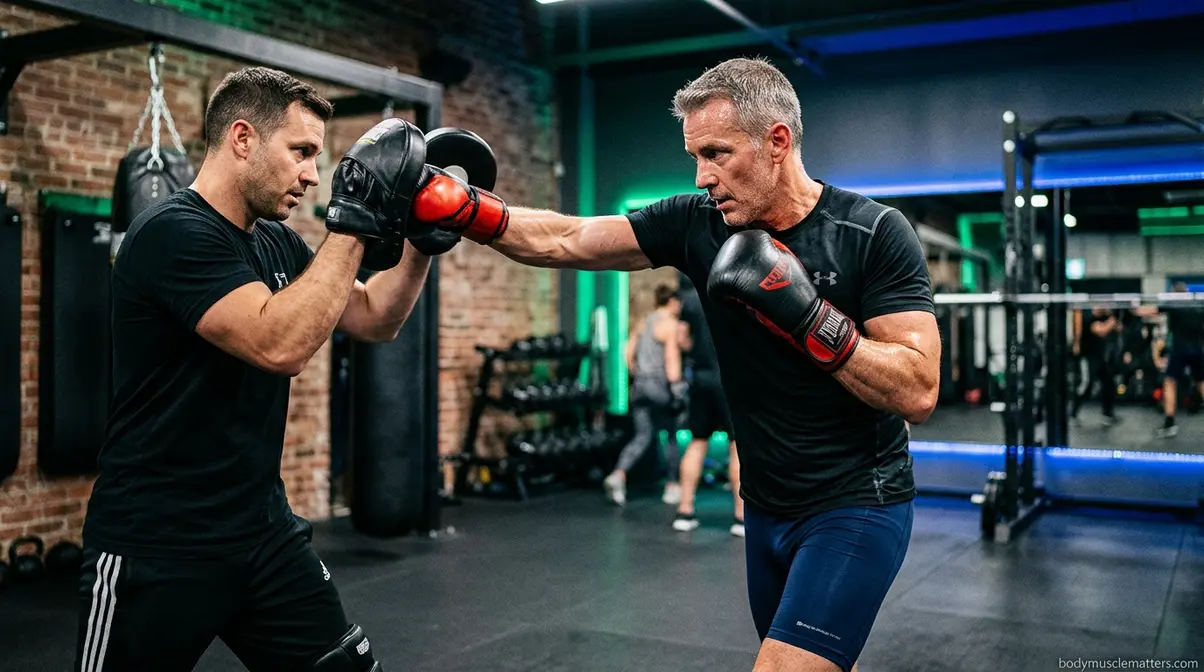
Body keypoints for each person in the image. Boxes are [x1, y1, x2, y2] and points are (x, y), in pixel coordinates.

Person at [404, 57, 940, 672]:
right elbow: (566, 237)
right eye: (695, 156)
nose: (702, 175)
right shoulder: (697, 223)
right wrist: (463, 207)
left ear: (778, 142)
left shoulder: (872, 232)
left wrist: (805, 314)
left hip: (856, 505)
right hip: (765, 505)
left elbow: (918, 390)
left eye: (716, 153)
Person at [77, 66, 446, 672]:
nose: (312, 174)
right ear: (242, 138)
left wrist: (420, 245)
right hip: (157, 543)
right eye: (301, 151)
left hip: (261, 534)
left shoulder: (276, 241)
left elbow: (376, 317)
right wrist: (354, 219)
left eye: (317, 158)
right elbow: (279, 345)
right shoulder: (171, 234)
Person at [673, 277, 744, 537]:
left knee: (697, 441)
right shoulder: (736, 294)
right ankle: (741, 518)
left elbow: (681, 339)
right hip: (729, 380)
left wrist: (698, 352)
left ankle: (684, 511)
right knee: (737, 447)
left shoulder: (690, 299)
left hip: (701, 380)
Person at [603, 284, 685, 506]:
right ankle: (672, 486)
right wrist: (676, 387)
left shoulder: (644, 322)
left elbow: (628, 351)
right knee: (670, 436)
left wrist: (636, 373)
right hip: (660, 387)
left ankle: (618, 475)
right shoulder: (670, 325)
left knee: (642, 437)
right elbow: (671, 359)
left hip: (640, 385)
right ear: (673, 302)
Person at [1157, 284, 1204, 438]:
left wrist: (1132, 307)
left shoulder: (1173, 305)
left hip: (1180, 350)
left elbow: (1150, 310)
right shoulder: (1198, 306)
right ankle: (1169, 423)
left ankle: (1169, 423)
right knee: (1202, 382)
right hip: (1197, 350)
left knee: (1170, 381)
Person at [1071, 305, 1121, 426]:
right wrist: (1113, 320)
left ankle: (1107, 414)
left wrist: (1116, 319)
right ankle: (1073, 414)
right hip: (1088, 358)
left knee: (1109, 382)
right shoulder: (1088, 318)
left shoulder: (1105, 317)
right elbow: (1102, 330)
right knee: (1086, 385)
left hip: (1100, 358)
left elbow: (1118, 328)